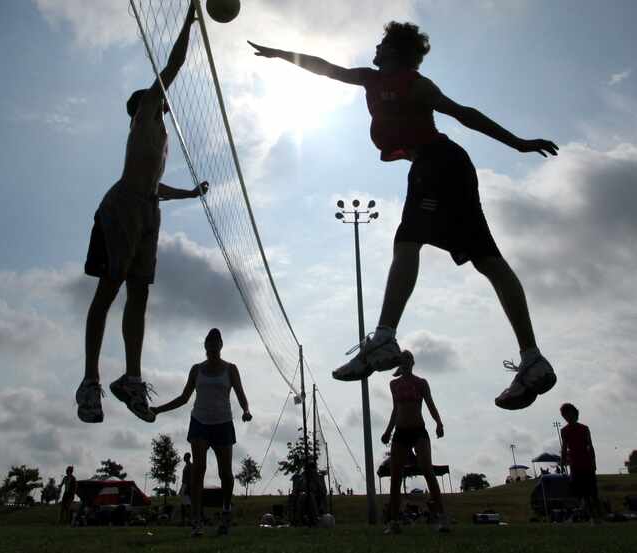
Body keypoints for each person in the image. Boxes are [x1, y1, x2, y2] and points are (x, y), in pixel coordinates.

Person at [249, 22, 558, 410]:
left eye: (382, 43)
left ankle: (384, 338)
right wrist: (280, 54)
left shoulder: (414, 83)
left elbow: (465, 114)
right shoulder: (369, 79)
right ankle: (532, 359)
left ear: (395, 51)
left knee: (407, 241)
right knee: (488, 260)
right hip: (447, 167)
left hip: (438, 163)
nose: (375, 48)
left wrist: (519, 144)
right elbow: (325, 67)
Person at [76, 2, 209, 424]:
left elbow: (154, 185)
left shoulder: (161, 138)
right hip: (123, 207)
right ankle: (89, 382)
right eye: (157, 98)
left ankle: (130, 378)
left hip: (149, 209)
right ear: (144, 105)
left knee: (140, 294)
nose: (164, 100)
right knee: (109, 289)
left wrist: (188, 194)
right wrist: (188, 22)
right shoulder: (145, 116)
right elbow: (173, 64)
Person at [151, 328, 252, 537]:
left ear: (221, 346)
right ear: (205, 346)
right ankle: (196, 522)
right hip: (200, 423)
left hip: (223, 423)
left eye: (217, 342)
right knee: (198, 470)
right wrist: (158, 410)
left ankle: (226, 511)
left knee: (226, 473)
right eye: (210, 342)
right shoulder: (196, 370)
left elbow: (241, 394)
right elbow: (184, 397)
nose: (213, 345)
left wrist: (246, 410)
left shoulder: (231, 369)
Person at [380, 351, 449, 534]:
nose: (406, 362)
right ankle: (393, 521)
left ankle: (442, 518)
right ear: (400, 364)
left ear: (413, 362)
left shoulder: (421, 383)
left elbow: (430, 404)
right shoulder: (394, 384)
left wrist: (439, 422)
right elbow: (395, 409)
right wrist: (388, 431)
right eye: (403, 359)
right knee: (395, 477)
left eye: (409, 359)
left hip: (419, 431)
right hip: (400, 433)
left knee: (428, 470)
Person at [560, 403, 602, 522]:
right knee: (583, 494)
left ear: (574, 413)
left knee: (593, 493)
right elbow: (564, 447)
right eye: (564, 415)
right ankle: (592, 517)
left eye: (568, 413)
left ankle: (599, 516)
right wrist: (563, 462)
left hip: (587, 463)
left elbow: (590, 446)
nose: (567, 417)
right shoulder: (564, 431)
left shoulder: (584, 428)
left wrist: (594, 463)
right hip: (575, 465)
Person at [179, 453, 192, 526]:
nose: (184, 458)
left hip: (186, 486)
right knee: (183, 505)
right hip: (184, 485)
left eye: (185, 457)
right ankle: (183, 521)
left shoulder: (190, 466)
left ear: (188, 457)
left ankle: (189, 521)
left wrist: (187, 487)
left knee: (187, 505)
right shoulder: (187, 466)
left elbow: (190, 478)